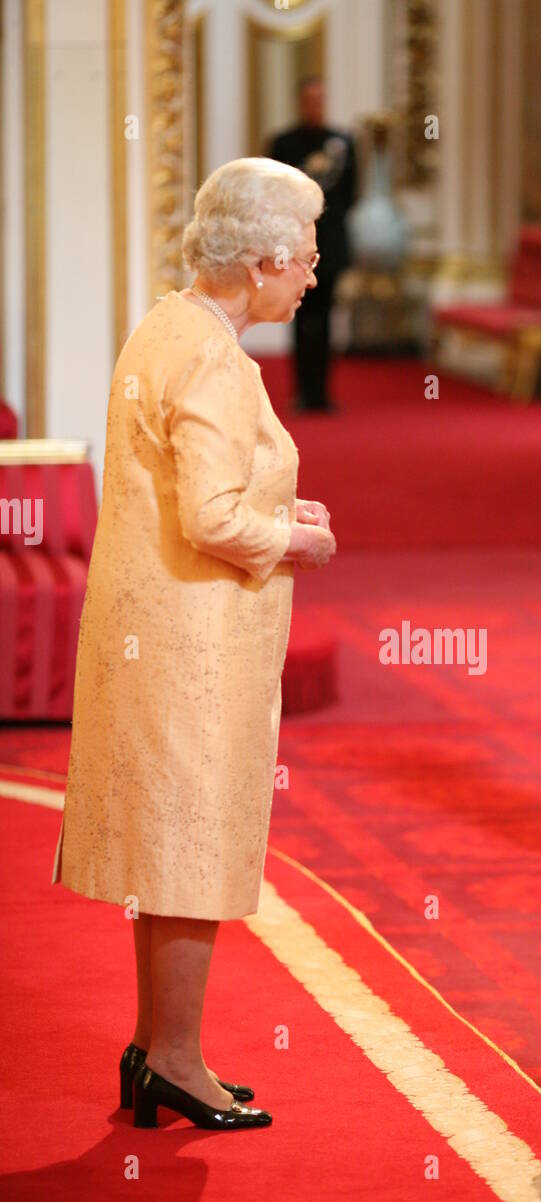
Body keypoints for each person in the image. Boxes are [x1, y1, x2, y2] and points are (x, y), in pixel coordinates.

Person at [52, 157, 337, 1131]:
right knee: (186, 851)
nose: (312, 270)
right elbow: (213, 517)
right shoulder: (215, 357)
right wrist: (300, 537)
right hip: (193, 645)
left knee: (170, 848)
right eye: (304, 253)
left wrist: (274, 503)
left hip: (153, 625)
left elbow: (188, 486)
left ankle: (159, 1049)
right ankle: (172, 1056)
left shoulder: (168, 322)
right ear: (260, 259)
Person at [268, 78, 357, 412]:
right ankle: (302, 392)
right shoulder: (284, 143)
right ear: (300, 102)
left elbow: (350, 194)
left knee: (326, 319)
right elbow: (274, 194)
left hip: (331, 246)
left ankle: (322, 393)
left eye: (320, 99)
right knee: (300, 318)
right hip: (292, 246)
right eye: (309, 99)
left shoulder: (343, 142)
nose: (314, 105)